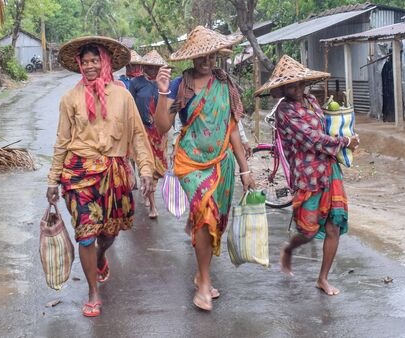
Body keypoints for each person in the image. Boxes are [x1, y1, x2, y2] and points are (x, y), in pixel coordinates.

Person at [46, 36, 154, 317]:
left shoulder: (122, 96)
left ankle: (102, 255)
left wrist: (145, 170)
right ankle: (93, 292)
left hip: (114, 173)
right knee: (86, 233)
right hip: (78, 173)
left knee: (109, 232)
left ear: (105, 62)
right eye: (85, 61)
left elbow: (139, 136)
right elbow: (61, 141)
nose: (90, 65)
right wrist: (52, 180)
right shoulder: (70, 98)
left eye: (95, 60)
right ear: (79, 65)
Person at [154, 26, 255, 311]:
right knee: (203, 213)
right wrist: (162, 94)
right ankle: (203, 283)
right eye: (201, 56)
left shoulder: (225, 85)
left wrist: (245, 171)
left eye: (211, 55)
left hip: (222, 163)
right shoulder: (179, 85)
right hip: (190, 164)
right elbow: (162, 126)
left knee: (214, 222)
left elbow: (232, 130)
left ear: (217, 56)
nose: (206, 61)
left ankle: (202, 272)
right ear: (192, 57)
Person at [254, 55, 359, 296]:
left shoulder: (312, 100)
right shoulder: (284, 111)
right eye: (291, 86)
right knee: (308, 230)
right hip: (308, 174)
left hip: (330, 170)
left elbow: (326, 128)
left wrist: (348, 133)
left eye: (300, 84)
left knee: (334, 225)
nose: (298, 89)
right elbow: (311, 138)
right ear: (281, 89)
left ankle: (322, 278)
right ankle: (289, 249)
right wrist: (345, 142)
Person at [128, 50, 170, 218]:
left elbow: (169, 108)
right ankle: (152, 205)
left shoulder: (165, 84)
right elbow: (129, 106)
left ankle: (149, 190)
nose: (153, 71)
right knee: (147, 166)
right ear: (144, 67)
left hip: (159, 132)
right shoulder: (135, 83)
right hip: (142, 131)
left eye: (156, 68)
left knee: (159, 168)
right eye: (149, 67)